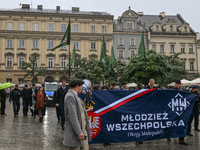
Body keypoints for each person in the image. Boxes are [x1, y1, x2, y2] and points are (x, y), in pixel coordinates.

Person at [63, 79, 91, 149]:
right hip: (76, 132)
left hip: (82, 130)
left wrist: (88, 97)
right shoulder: (70, 96)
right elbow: (72, 115)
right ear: (77, 86)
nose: (82, 88)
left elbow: (82, 107)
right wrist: (79, 132)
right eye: (81, 86)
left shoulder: (75, 95)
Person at [169, 80, 187, 145]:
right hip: (172, 111)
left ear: (180, 84)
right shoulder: (171, 91)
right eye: (176, 84)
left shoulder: (182, 91)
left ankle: (181, 140)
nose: (177, 85)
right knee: (170, 124)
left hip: (180, 111)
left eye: (178, 84)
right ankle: (168, 136)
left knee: (181, 124)